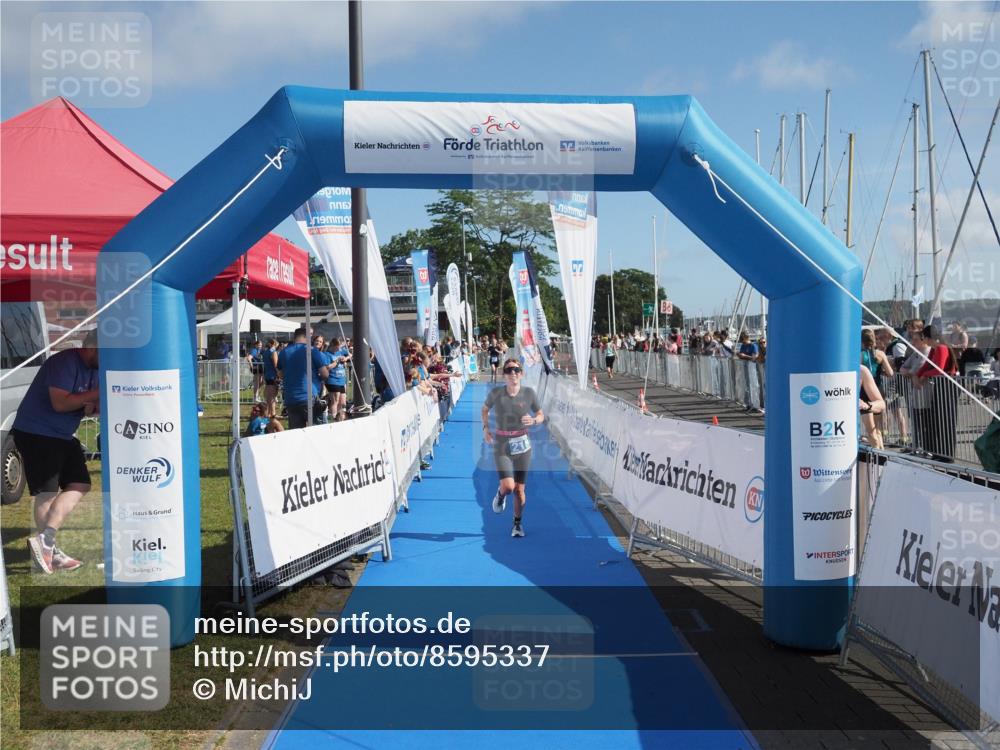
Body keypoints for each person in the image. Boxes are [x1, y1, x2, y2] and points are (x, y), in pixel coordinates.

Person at [12, 330, 100, 573]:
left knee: (80, 483)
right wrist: (94, 395)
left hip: (61, 435)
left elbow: (90, 407)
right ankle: (48, 550)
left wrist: (94, 403)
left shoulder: (96, 369)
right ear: (92, 348)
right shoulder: (64, 362)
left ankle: (46, 543)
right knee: (46, 494)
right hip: (36, 433)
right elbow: (60, 403)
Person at [482, 359, 544, 538]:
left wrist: (533, 420)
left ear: (521, 373)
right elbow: (484, 410)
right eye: (509, 370)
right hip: (502, 444)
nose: (513, 373)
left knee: (519, 490)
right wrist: (486, 428)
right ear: (504, 375)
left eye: (517, 369)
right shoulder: (496, 393)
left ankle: (517, 524)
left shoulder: (529, 393)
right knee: (509, 487)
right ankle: (501, 495)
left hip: (523, 445)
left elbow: (540, 414)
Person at [915, 325, 958, 462]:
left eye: (923, 337)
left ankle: (947, 455)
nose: (923, 340)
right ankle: (939, 452)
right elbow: (927, 365)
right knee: (937, 420)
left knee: (945, 419)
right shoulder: (935, 349)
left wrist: (923, 376)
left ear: (928, 337)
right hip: (939, 386)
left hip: (946, 385)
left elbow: (938, 370)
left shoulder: (941, 348)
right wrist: (918, 374)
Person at [276, 328, 329, 429]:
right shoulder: (312, 350)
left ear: (294, 337)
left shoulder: (283, 352)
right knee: (320, 431)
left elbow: (280, 374)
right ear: (307, 336)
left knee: (296, 434)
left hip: (291, 398)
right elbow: (325, 374)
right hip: (309, 397)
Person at [324, 337, 352, 421]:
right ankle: (333, 418)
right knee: (335, 400)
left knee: (343, 402)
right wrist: (337, 361)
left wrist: (345, 358)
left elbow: (350, 354)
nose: (338, 349)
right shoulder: (327, 354)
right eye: (337, 348)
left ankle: (340, 418)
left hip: (341, 380)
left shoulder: (340, 351)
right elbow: (327, 367)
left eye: (339, 347)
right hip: (332, 380)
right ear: (332, 346)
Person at [859, 364, 886, 449]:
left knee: (874, 432)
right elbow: (890, 372)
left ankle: (879, 455)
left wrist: (867, 405)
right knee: (874, 431)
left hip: (868, 400)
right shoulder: (879, 354)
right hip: (866, 397)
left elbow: (881, 404)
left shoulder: (862, 370)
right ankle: (879, 454)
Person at [262, 338, 281, 417]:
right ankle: (272, 413)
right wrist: (279, 374)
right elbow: (276, 365)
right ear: (274, 344)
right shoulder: (273, 352)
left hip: (267, 374)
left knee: (269, 395)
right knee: (273, 395)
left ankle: (269, 412)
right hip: (273, 375)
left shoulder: (265, 352)